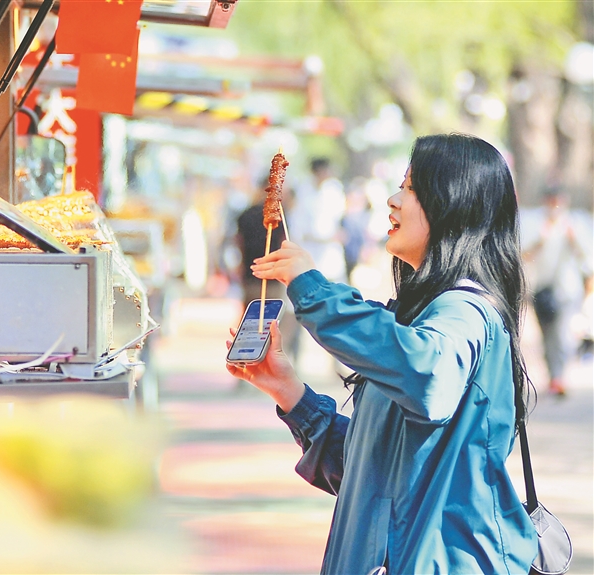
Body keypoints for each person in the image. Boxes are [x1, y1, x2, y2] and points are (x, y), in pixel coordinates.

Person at [227, 134, 538, 574]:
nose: (393, 200)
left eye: (410, 188)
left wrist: (313, 291)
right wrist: (289, 391)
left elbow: (425, 375)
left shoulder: (466, 311)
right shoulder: (423, 315)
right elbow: (366, 474)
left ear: (452, 204)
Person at [521, 187, 592, 395]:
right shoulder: (533, 222)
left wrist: (574, 240)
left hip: (568, 289)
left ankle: (559, 376)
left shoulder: (576, 223)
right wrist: (539, 241)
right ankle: (554, 375)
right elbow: (522, 255)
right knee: (547, 334)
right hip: (541, 288)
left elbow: (587, 258)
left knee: (562, 334)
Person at [235, 178, 299, 362]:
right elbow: (284, 244)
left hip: (251, 273)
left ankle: (245, 359)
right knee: (271, 319)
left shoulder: (246, 214)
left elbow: (238, 243)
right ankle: (264, 358)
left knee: (250, 319)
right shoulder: (279, 216)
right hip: (271, 274)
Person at [289, 157, 347, 283]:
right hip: (309, 247)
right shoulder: (302, 190)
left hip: (330, 249)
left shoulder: (334, 189)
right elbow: (297, 224)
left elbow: (339, 217)